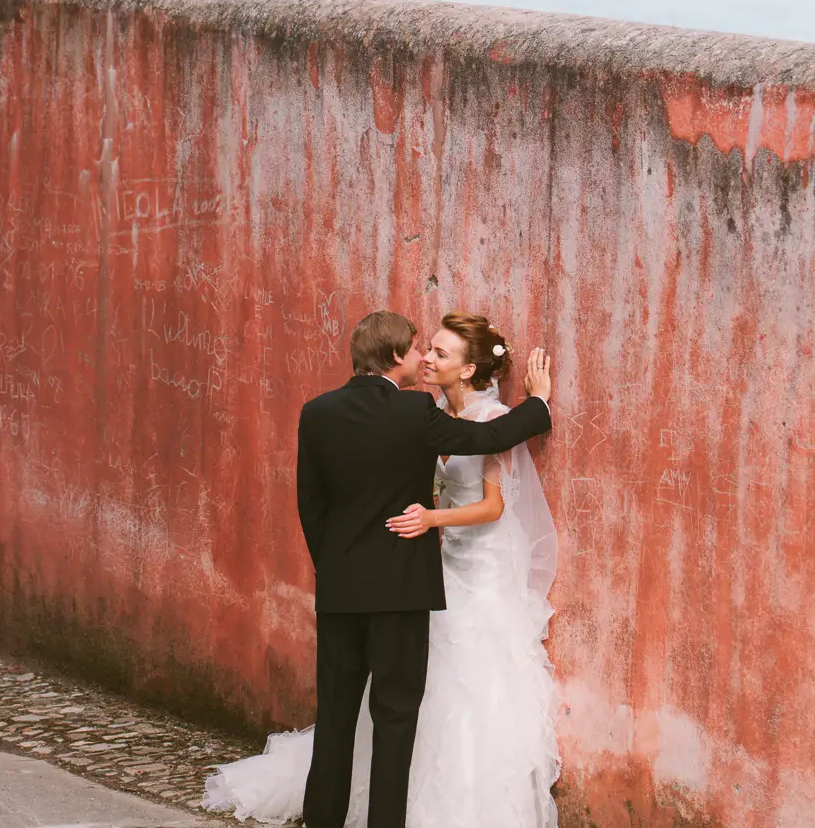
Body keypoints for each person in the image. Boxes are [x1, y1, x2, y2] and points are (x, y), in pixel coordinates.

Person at [202, 309, 557, 828]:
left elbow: (311, 505)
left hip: (341, 590)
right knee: (394, 718)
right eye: (416, 349)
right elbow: (486, 439)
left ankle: (323, 821)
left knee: (336, 716)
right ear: (395, 356)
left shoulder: (316, 412)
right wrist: (540, 404)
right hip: (402, 592)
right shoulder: (414, 411)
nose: (422, 358)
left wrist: (335, 570)